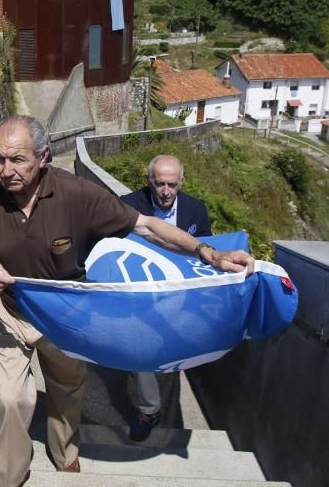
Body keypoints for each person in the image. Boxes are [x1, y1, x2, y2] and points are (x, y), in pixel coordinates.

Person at [0, 116, 253, 487]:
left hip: (66, 313)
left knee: (66, 393)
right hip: (10, 309)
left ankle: (65, 452)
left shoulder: (78, 195)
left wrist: (207, 253)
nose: (5, 171)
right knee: (9, 400)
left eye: (17, 160)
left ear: (44, 157)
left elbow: (146, 225)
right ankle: (7, 476)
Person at [119, 154, 212, 442]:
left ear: (181, 182)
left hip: (181, 297)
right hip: (141, 297)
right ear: (149, 181)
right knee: (141, 347)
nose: (166, 191)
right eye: (160, 183)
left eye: (172, 184)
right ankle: (149, 410)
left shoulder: (196, 210)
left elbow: (209, 249)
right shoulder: (128, 204)